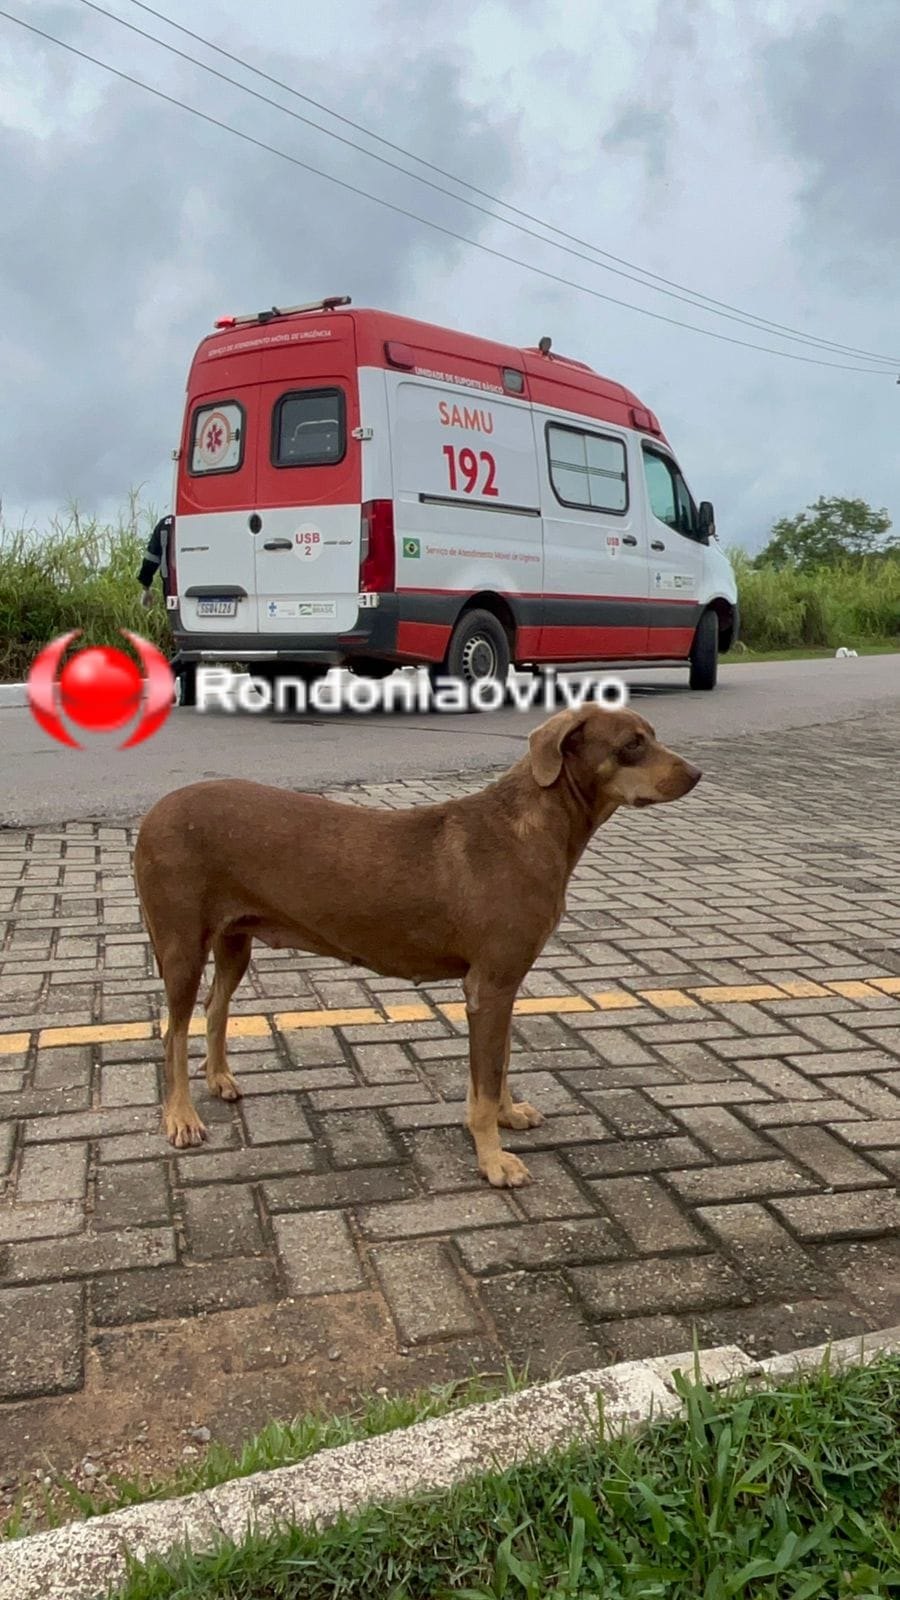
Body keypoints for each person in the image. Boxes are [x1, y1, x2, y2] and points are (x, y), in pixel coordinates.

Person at [138, 514, 173, 608]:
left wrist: (146, 587)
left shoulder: (165, 524)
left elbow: (151, 559)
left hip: (172, 590)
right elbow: (151, 558)